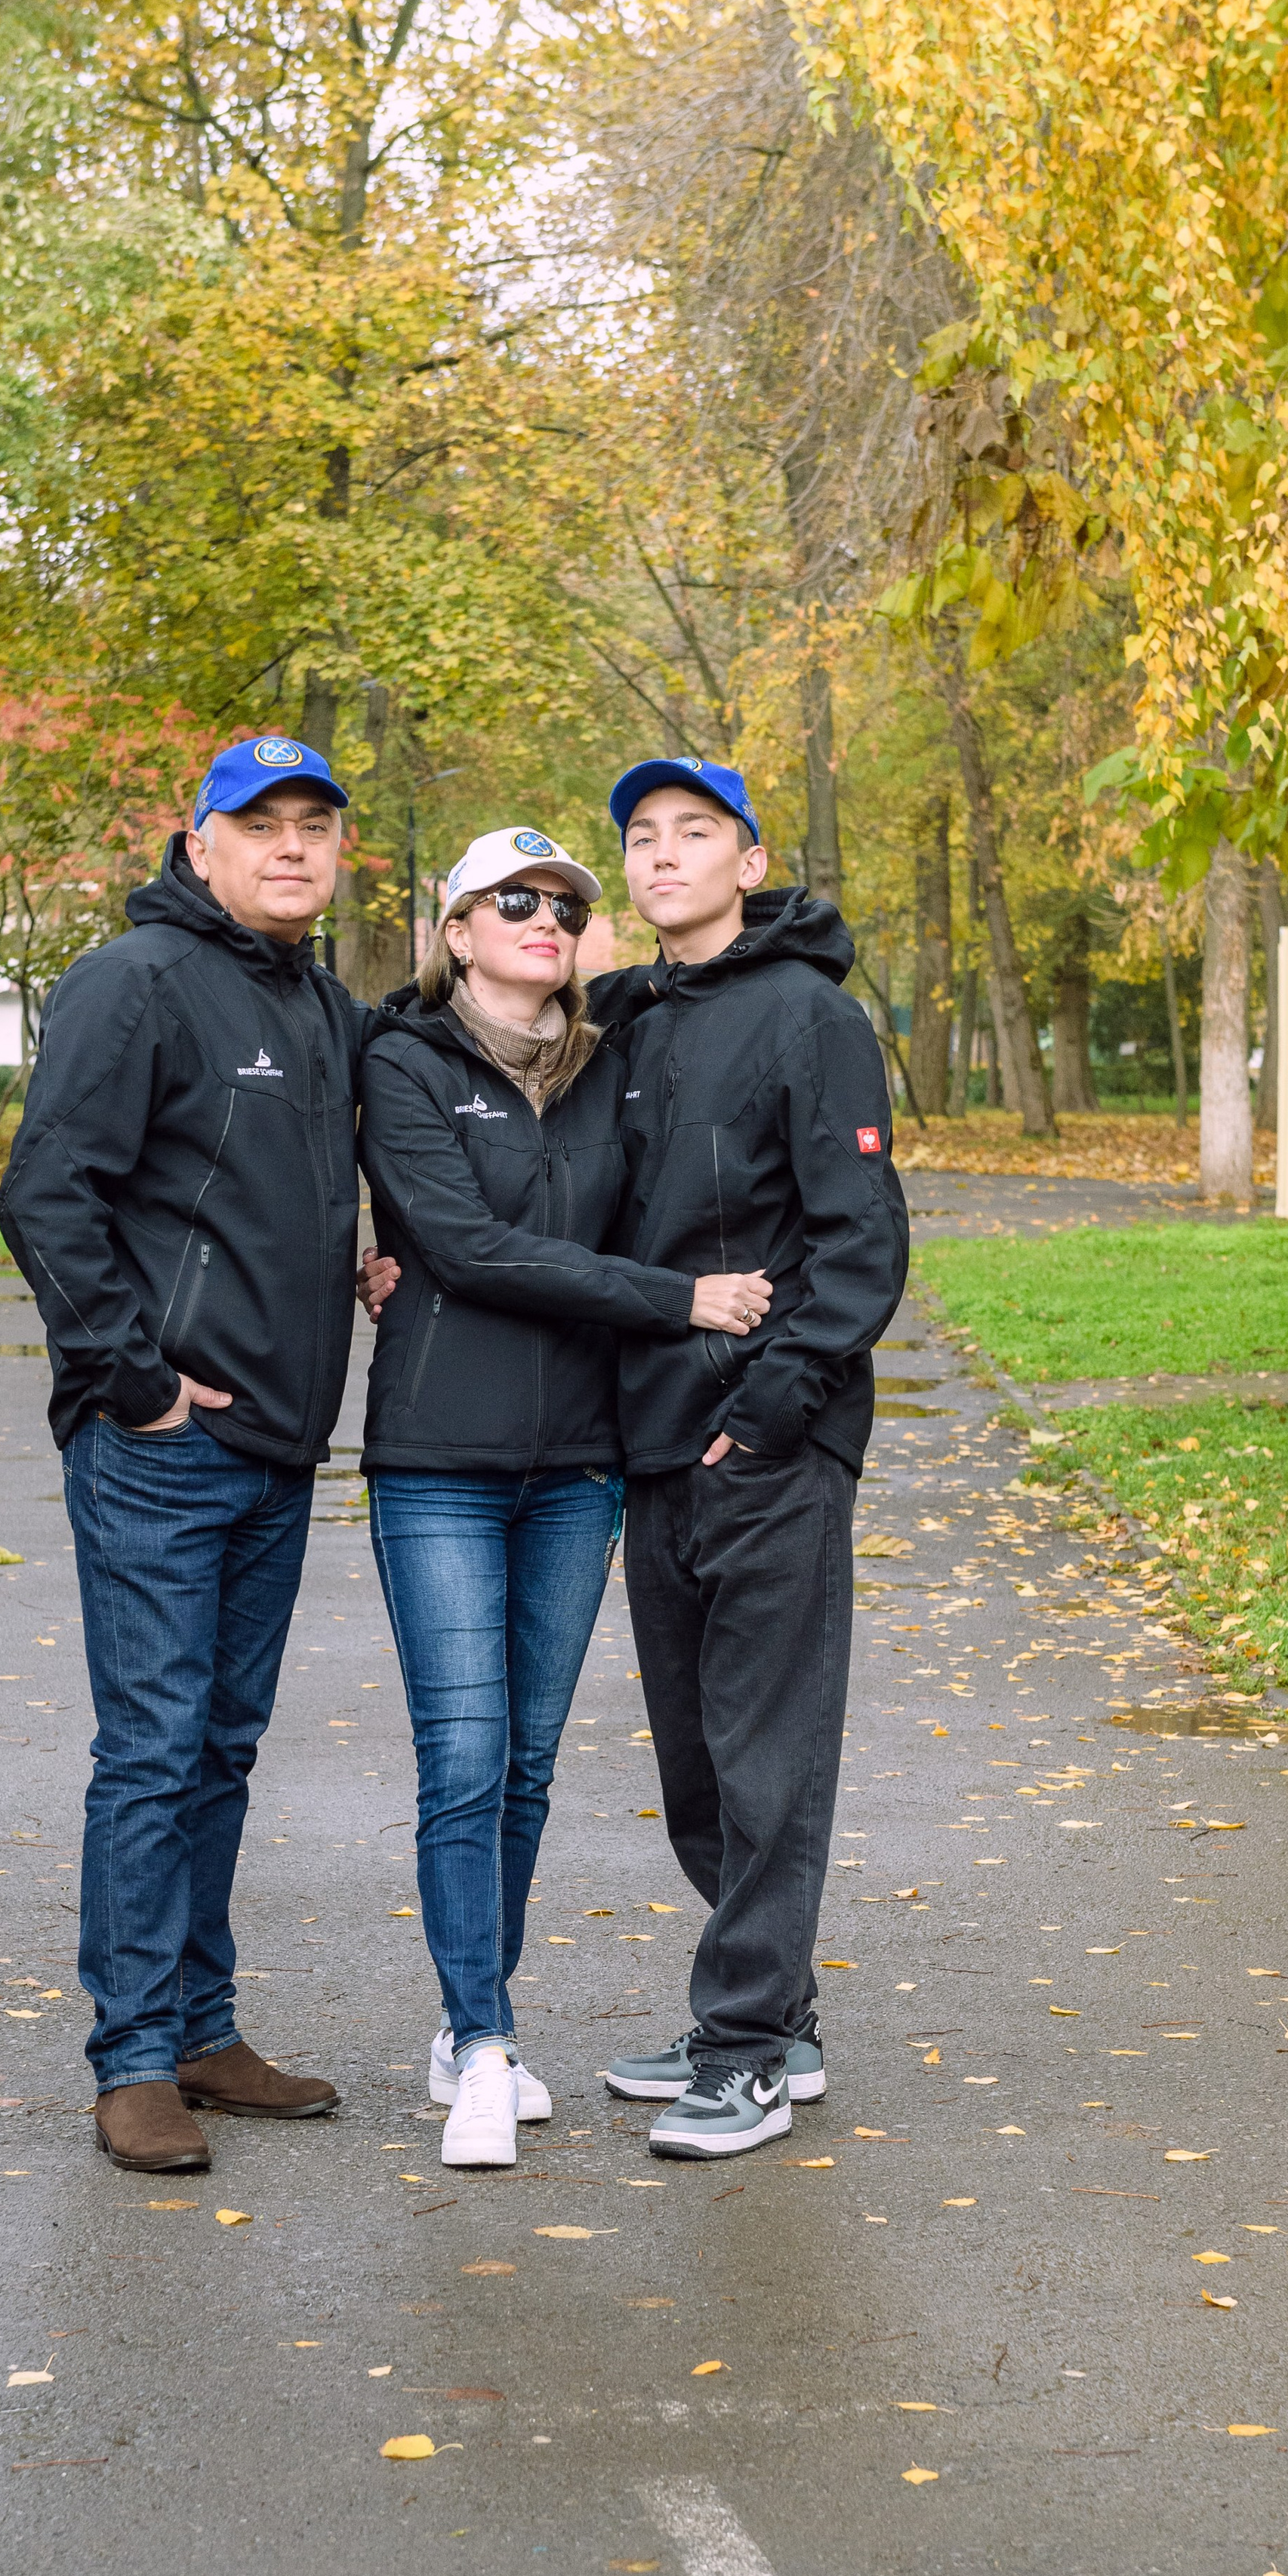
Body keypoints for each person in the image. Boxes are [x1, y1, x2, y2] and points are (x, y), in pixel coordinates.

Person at [357, 826, 774, 2169]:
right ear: (457, 925)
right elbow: (467, 1248)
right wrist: (676, 1302)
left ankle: (467, 2020)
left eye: (566, 905)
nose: (545, 918)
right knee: (464, 1757)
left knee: (527, 1767)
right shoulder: (401, 1060)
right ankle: (483, 2047)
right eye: (512, 900)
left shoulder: (613, 1064)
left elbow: (669, 1165)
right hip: (440, 1461)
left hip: (580, 1464)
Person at [0, 732, 369, 2177]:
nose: (290, 848)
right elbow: (49, 1194)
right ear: (198, 843)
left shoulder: (324, 1003)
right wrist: (131, 1380)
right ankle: (134, 2059)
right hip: (163, 1445)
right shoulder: (131, 982)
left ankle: (204, 2029)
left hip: (279, 1443)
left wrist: (372, 1256)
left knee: (222, 1745)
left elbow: (290, 1190)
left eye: (313, 827)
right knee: (152, 1750)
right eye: (259, 824)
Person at [588, 758, 909, 2160]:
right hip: (649, 1437)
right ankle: (775, 2019)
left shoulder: (810, 1019)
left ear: (750, 861)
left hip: (768, 1441)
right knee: (701, 1766)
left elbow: (861, 1244)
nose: (664, 856)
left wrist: (775, 1407)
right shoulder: (625, 1020)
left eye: (693, 834)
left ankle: (742, 2051)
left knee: (769, 1753)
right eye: (643, 839)